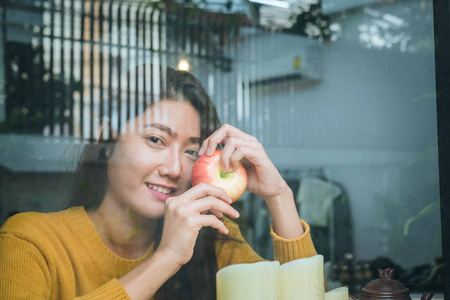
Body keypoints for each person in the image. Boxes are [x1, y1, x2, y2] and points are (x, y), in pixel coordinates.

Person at [0, 67, 318, 299]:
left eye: (192, 150)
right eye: (155, 139)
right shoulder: (31, 242)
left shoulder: (211, 240)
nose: (174, 168)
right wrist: (165, 259)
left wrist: (280, 195)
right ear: (105, 140)